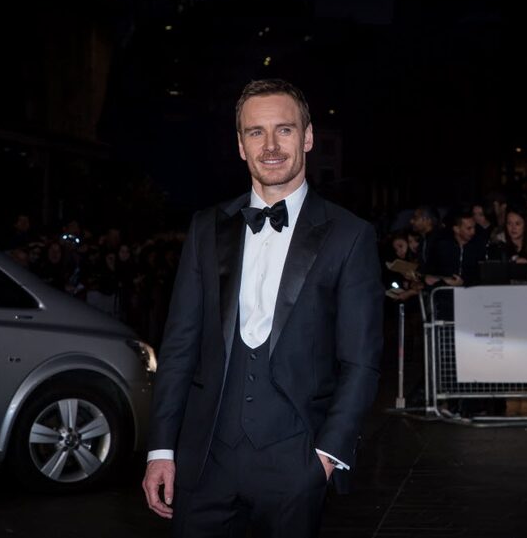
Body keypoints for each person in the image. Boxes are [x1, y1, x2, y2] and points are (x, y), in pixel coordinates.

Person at [142, 79, 384, 537]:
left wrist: (326, 458)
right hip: (205, 461)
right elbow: (179, 347)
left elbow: (362, 361)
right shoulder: (206, 228)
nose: (270, 145)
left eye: (284, 130)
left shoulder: (350, 235)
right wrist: (161, 451)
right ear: (240, 144)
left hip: (296, 462)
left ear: (308, 137)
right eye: (256, 132)